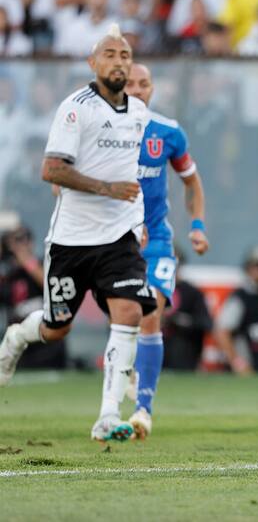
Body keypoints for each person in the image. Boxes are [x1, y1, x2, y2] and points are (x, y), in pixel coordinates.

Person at [0, 24, 157, 443]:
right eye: (110, 55)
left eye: (125, 55)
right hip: (71, 241)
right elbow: (51, 170)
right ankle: (16, 337)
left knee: (129, 312)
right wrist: (104, 189)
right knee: (57, 327)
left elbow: (132, 176)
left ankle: (108, 415)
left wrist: (137, 219)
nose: (119, 62)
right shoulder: (76, 108)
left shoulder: (139, 114)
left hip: (119, 238)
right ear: (93, 63)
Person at [123, 63, 209, 440]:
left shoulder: (168, 132)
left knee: (151, 311)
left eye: (145, 84)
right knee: (119, 318)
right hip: (112, 240)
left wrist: (197, 226)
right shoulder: (99, 132)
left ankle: (143, 408)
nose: (139, 90)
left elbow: (192, 182)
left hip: (157, 240)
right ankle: (124, 368)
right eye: (130, 84)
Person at [0, 226, 66, 369]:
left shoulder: (44, 264)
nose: (18, 246)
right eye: (14, 242)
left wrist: (27, 261)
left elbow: (50, 286)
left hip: (46, 343)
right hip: (19, 344)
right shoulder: (8, 273)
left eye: (22, 240)